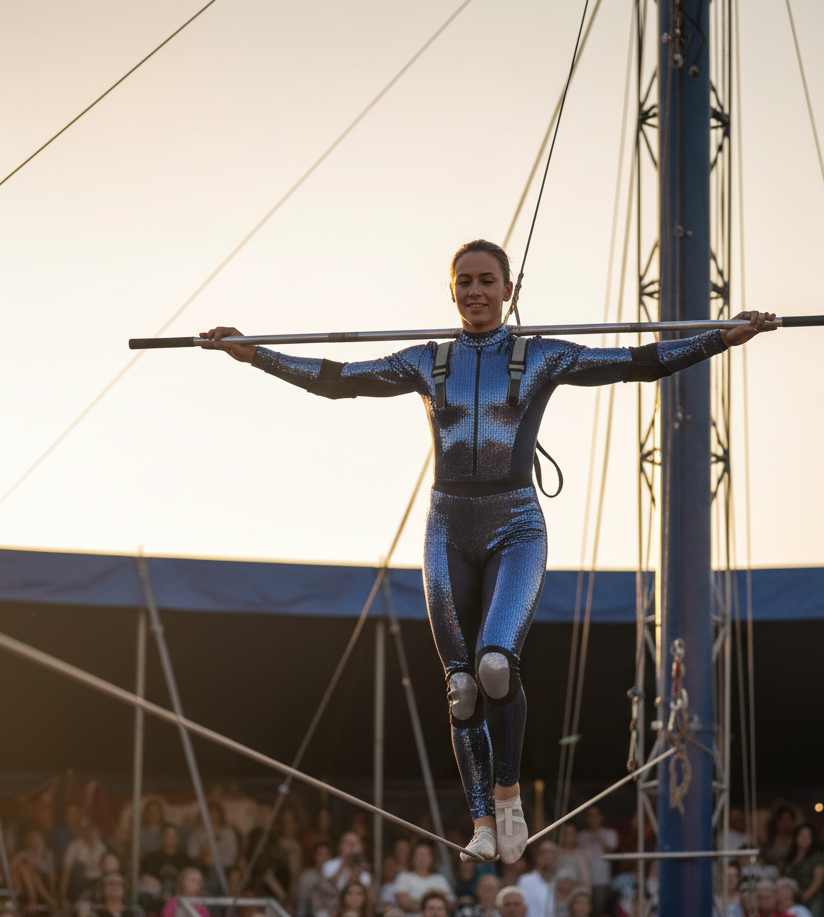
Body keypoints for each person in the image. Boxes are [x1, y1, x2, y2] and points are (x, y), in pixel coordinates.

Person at [201, 240, 774, 863]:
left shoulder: (542, 355)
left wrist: (721, 336)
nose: (475, 290)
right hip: (448, 527)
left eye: (487, 280)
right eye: (464, 281)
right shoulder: (428, 360)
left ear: (508, 290)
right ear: (451, 292)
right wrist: (251, 354)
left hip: (516, 526)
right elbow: (338, 381)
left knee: (496, 666)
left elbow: (637, 361)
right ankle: (479, 822)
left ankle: (508, 797)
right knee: (463, 689)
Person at [392, 843, 454, 917]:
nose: (422, 858)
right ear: (412, 858)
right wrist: (435, 907)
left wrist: (417, 903)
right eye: (419, 855)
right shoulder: (404, 877)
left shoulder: (440, 879)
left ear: (432, 858)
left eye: (426, 855)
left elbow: (450, 904)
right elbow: (404, 903)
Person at [784, 826, 824, 917]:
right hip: (791, 900)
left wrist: (806, 895)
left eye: (807, 837)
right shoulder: (789, 857)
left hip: (811, 898)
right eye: (801, 836)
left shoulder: (817, 857)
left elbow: (818, 879)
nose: (804, 839)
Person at [517, 844, 559, 917]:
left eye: (552, 854)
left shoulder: (558, 883)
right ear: (537, 858)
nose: (548, 857)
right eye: (544, 854)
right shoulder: (526, 881)